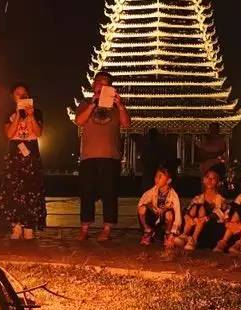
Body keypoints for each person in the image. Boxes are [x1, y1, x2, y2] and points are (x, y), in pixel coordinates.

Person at [74, 70, 131, 242]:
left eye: (107, 83)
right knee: (87, 193)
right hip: (88, 157)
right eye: (100, 82)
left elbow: (127, 124)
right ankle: (84, 228)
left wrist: (120, 105)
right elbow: (79, 121)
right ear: (94, 85)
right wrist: (93, 104)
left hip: (110, 157)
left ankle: (107, 228)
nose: (103, 85)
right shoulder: (85, 103)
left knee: (109, 194)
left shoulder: (115, 107)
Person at [0, 83, 46, 240]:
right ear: (13, 97)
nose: (22, 96)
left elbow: (38, 133)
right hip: (15, 152)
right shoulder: (9, 113)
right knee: (14, 190)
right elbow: (9, 134)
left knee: (31, 189)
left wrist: (31, 115)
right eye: (18, 94)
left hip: (31, 152)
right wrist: (18, 116)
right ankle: (17, 226)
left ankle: (30, 227)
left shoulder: (37, 112)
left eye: (24, 94)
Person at [180, 167, 227, 251]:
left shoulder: (220, 199)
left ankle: (194, 239)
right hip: (196, 225)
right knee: (196, 206)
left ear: (217, 182)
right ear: (204, 180)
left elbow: (221, 215)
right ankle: (184, 235)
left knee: (201, 207)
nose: (210, 180)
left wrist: (205, 218)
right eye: (208, 177)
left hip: (210, 228)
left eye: (213, 178)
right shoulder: (198, 198)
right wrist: (187, 216)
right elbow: (188, 209)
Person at [137, 164, 182, 248]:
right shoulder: (152, 191)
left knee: (169, 214)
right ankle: (148, 231)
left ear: (168, 181)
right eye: (156, 176)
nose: (156, 179)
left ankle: (167, 235)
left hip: (164, 224)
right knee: (142, 209)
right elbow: (141, 204)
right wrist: (152, 207)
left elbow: (178, 217)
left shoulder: (173, 196)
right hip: (154, 220)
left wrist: (173, 232)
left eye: (160, 177)